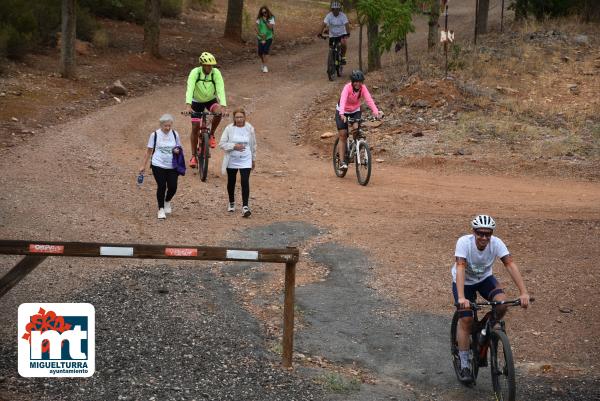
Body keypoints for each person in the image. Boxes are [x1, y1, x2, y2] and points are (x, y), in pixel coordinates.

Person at [452, 214, 530, 383]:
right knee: (466, 319)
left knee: (502, 304)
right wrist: (461, 297)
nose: (484, 237)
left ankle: (484, 331)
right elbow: (460, 268)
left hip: (485, 279)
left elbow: (510, 264)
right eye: (480, 233)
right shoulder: (464, 243)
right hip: (464, 281)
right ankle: (464, 363)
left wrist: (523, 292)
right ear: (474, 232)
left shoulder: (496, 243)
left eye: (488, 234)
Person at [185, 51, 227, 168]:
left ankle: (212, 134)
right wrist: (188, 106)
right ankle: (193, 156)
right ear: (202, 65)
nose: (209, 67)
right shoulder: (195, 73)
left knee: (218, 113)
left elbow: (220, 89)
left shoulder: (216, 73)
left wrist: (223, 106)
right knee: (195, 127)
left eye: (211, 65)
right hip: (196, 101)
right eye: (207, 65)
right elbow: (190, 88)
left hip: (210, 100)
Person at [335, 69, 383, 170]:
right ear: (352, 82)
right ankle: (342, 162)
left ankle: (355, 148)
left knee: (356, 129)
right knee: (343, 134)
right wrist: (342, 114)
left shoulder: (363, 88)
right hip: (342, 111)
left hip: (355, 111)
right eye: (356, 82)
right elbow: (343, 100)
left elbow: (369, 100)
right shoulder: (347, 88)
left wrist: (376, 112)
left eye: (360, 82)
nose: (358, 84)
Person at [139, 114, 184, 220]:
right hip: (158, 164)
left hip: (172, 165)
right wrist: (143, 165)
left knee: (173, 187)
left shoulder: (174, 134)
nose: (167, 128)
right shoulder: (154, 135)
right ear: (161, 125)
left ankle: (167, 200)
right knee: (162, 186)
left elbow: (179, 147)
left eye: (169, 125)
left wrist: (177, 150)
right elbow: (148, 151)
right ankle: (161, 209)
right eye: (165, 126)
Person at [218, 108, 257, 218]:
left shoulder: (249, 128)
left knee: (245, 181)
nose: (239, 119)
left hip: (246, 159)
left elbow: (253, 145)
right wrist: (234, 146)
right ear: (234, 118)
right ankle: (231, 201)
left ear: (244, 117)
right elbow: (222, 144)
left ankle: (245, 206)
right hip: (232, 159)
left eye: (241, 117)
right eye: (237, 117)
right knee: (231, 181)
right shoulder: (229, 128)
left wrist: (253, 159)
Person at [318, 1, 350, 65]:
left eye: (337, 9)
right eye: (334, 9)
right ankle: (332, 60)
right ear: (332, 9)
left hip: (342, 33)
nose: (336, 11)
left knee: (343, 43)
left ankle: (343, 57)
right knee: (331, 47)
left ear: (339, 9)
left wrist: (347, 33)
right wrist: (320, 33)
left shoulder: (343, 15)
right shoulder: (329, 15)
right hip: (332, 34)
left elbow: (346, 24)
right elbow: (323, 24)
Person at [255, 6, 275, 73]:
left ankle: (265, 66)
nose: (264, 13)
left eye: (265, 12)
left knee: (265, 51)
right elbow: (256, 27)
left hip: (269, 37)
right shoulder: (259, 18)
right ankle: (263, 63)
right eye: (262, 12)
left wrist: (266, 21)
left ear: (267, 11)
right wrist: (259, 34)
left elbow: (270, 27)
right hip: (260, 37)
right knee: (260, 52)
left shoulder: (271, 18)